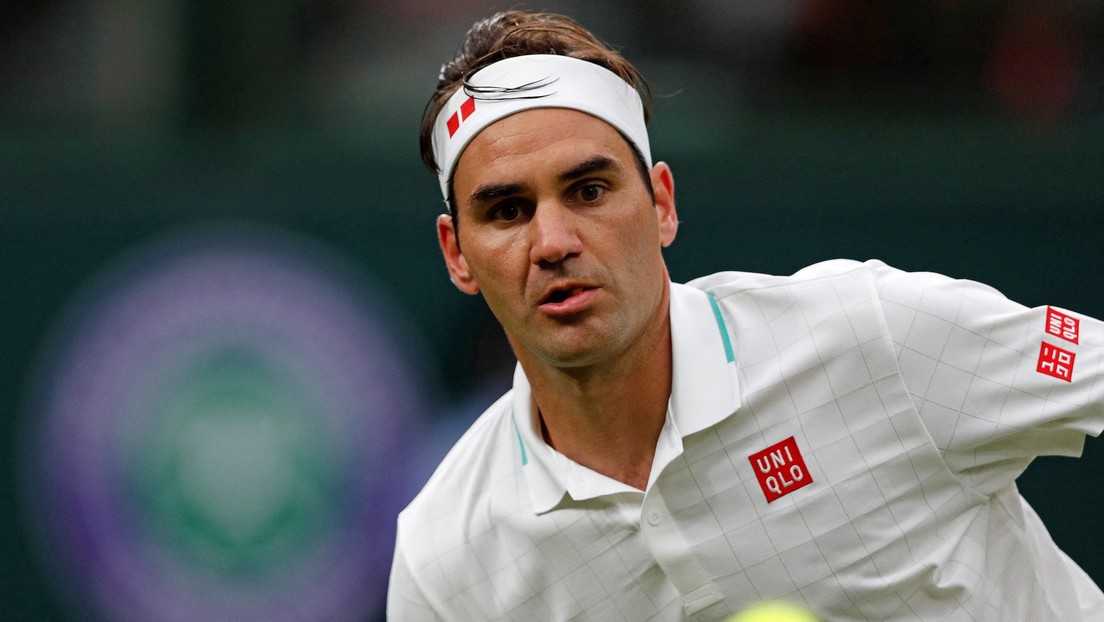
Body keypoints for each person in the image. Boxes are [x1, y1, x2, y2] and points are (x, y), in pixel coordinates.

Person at [388, 10, 1104, 621]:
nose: (552, 243)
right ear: (457, 254)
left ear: (661, 205)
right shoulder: (446, 560)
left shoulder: (872, 331)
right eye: (508, 211)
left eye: (589, 191)